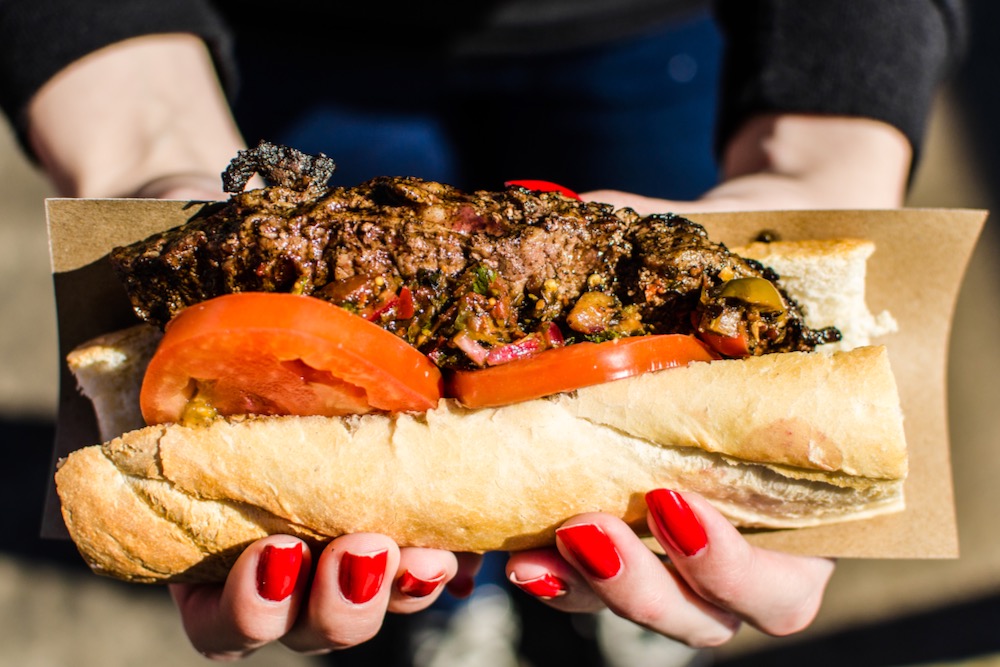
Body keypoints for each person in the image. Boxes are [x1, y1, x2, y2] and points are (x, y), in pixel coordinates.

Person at [0, 1, 965, 664]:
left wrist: (825, 144)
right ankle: (455, 604)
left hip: (656, 31)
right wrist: (140, 140)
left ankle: (606, 587)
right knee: (404, 547)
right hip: (286, 33)